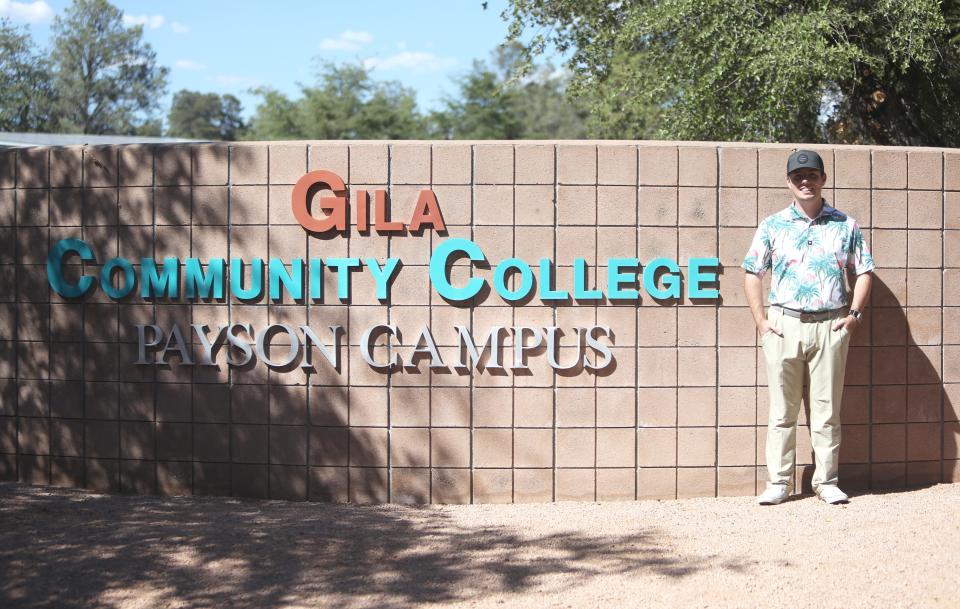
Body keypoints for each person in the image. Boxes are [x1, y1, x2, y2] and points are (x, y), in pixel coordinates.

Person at [742, 149, 874, 505]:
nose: (805, 181)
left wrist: (854, 317)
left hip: (831, 325)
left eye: (812, 174)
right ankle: (779, 482)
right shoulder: (772, 225)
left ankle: (826, 481)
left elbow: (864, 272)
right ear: (788, 182)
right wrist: (762, 322)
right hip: (784, 325)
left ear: (823, 179)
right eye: (798, 176)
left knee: (826, 410)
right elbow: (752, 272)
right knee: (782, 411)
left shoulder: (846, 225)